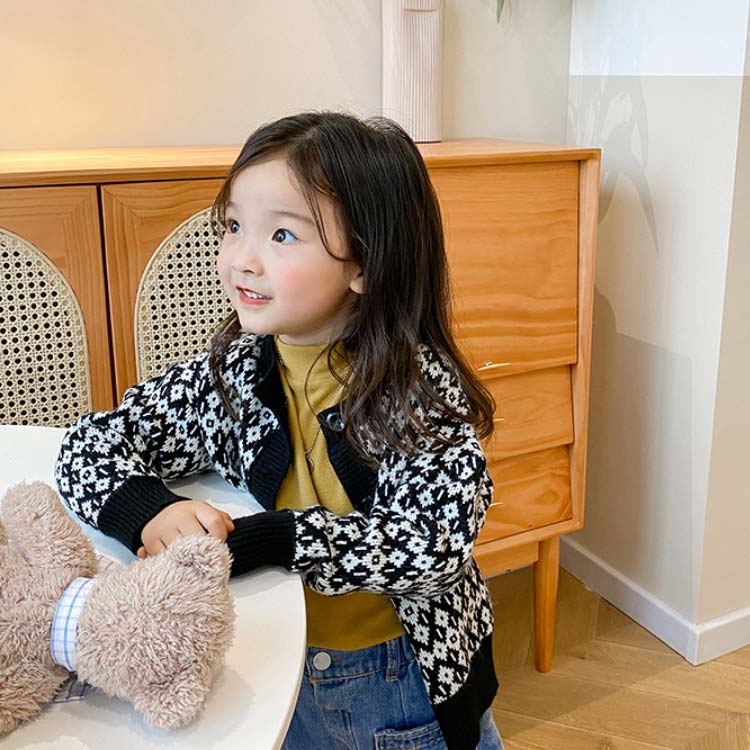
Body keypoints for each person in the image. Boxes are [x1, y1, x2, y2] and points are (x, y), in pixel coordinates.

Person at [54, 110, 504, 750]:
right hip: (279, 660)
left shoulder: (415, 392)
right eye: (233, 226)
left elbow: (432, 544)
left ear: (365, 263)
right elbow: (87, 445)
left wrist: (280, 539)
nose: (241, 259)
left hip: (402, 683)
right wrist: (148, 510)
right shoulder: (233, 374)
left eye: (283, 235)